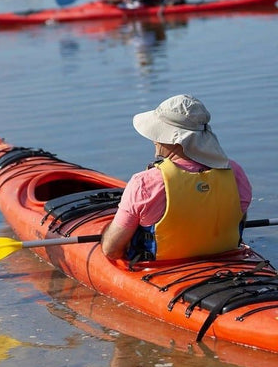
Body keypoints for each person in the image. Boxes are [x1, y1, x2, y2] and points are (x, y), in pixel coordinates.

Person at [101, 94, 252, 262]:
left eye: (157, 134)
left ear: (174, 140)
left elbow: (111, 250)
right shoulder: (234, 172)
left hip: (162, 271)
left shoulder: (144, 183)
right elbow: (239, 221)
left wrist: (107, 231)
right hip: (228, 260)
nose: (154, 140)